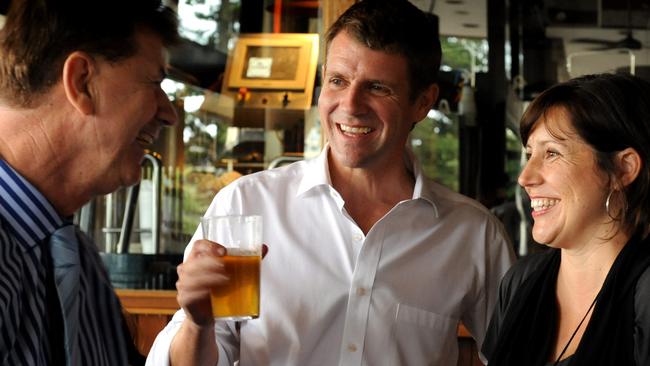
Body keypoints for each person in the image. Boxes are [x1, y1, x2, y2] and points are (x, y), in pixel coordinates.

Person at [147, 0, 514, 365]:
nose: (351, 104)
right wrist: (198, 322)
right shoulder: (245, 204)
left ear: (422, 102)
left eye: (378, 87)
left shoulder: (473, 233)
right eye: (338, 81)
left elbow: (518, 353)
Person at [0, 0, 179, 365]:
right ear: (82, 82)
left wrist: (199, 324)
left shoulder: (75, 254)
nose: (170, 113)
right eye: (155, 82)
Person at [481, 73, 650, 365]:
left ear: (623, 169)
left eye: (552, 153)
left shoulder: (645, 291)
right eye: (529, 154)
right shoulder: (521, 280)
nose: (525, 177)